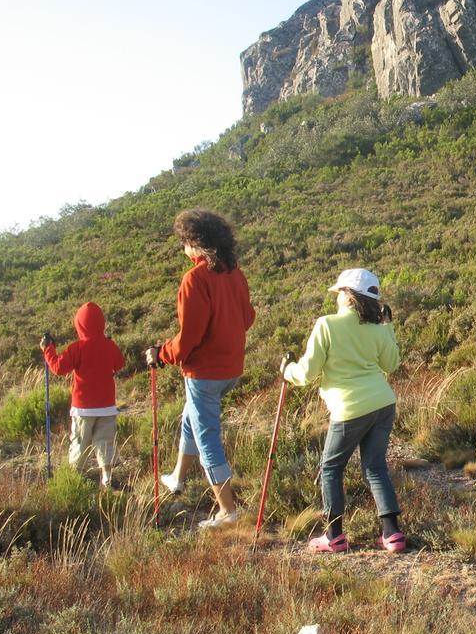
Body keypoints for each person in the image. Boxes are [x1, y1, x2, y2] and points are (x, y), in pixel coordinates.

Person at [146, 209, 255, 529]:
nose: (183, 249)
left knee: (208, 436)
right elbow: (248, 318)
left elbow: (188, 340)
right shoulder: (235, 273)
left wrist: (161, 353)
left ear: (196, 243)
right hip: (231, 367)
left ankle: (227, 511)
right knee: (191, 418)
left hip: (205, 372)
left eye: (184, 242)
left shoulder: (194, 279)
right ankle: (177, 478)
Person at [282, 267, 404, 553]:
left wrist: (287, 370)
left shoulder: (327, 325)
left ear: (349, 297)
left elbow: (306, 373)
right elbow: (391, 364)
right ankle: (392, 534)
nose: (336, 298)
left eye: (339, 293)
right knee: (375, 467)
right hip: (383, 404)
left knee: (331, 468)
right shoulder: (378, 328)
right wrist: (388, 327)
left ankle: (334, 535)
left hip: (349, 409)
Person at [40, 302, 125, 487]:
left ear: (79, 324)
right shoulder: (109, 345)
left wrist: (48, 349)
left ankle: (75, 480)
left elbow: (58, 368)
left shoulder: (77, 348)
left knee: (80, 443)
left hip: (83, 409)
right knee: (105, 443)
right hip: (107, 407)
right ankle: (107, 479)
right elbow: (120, 363)